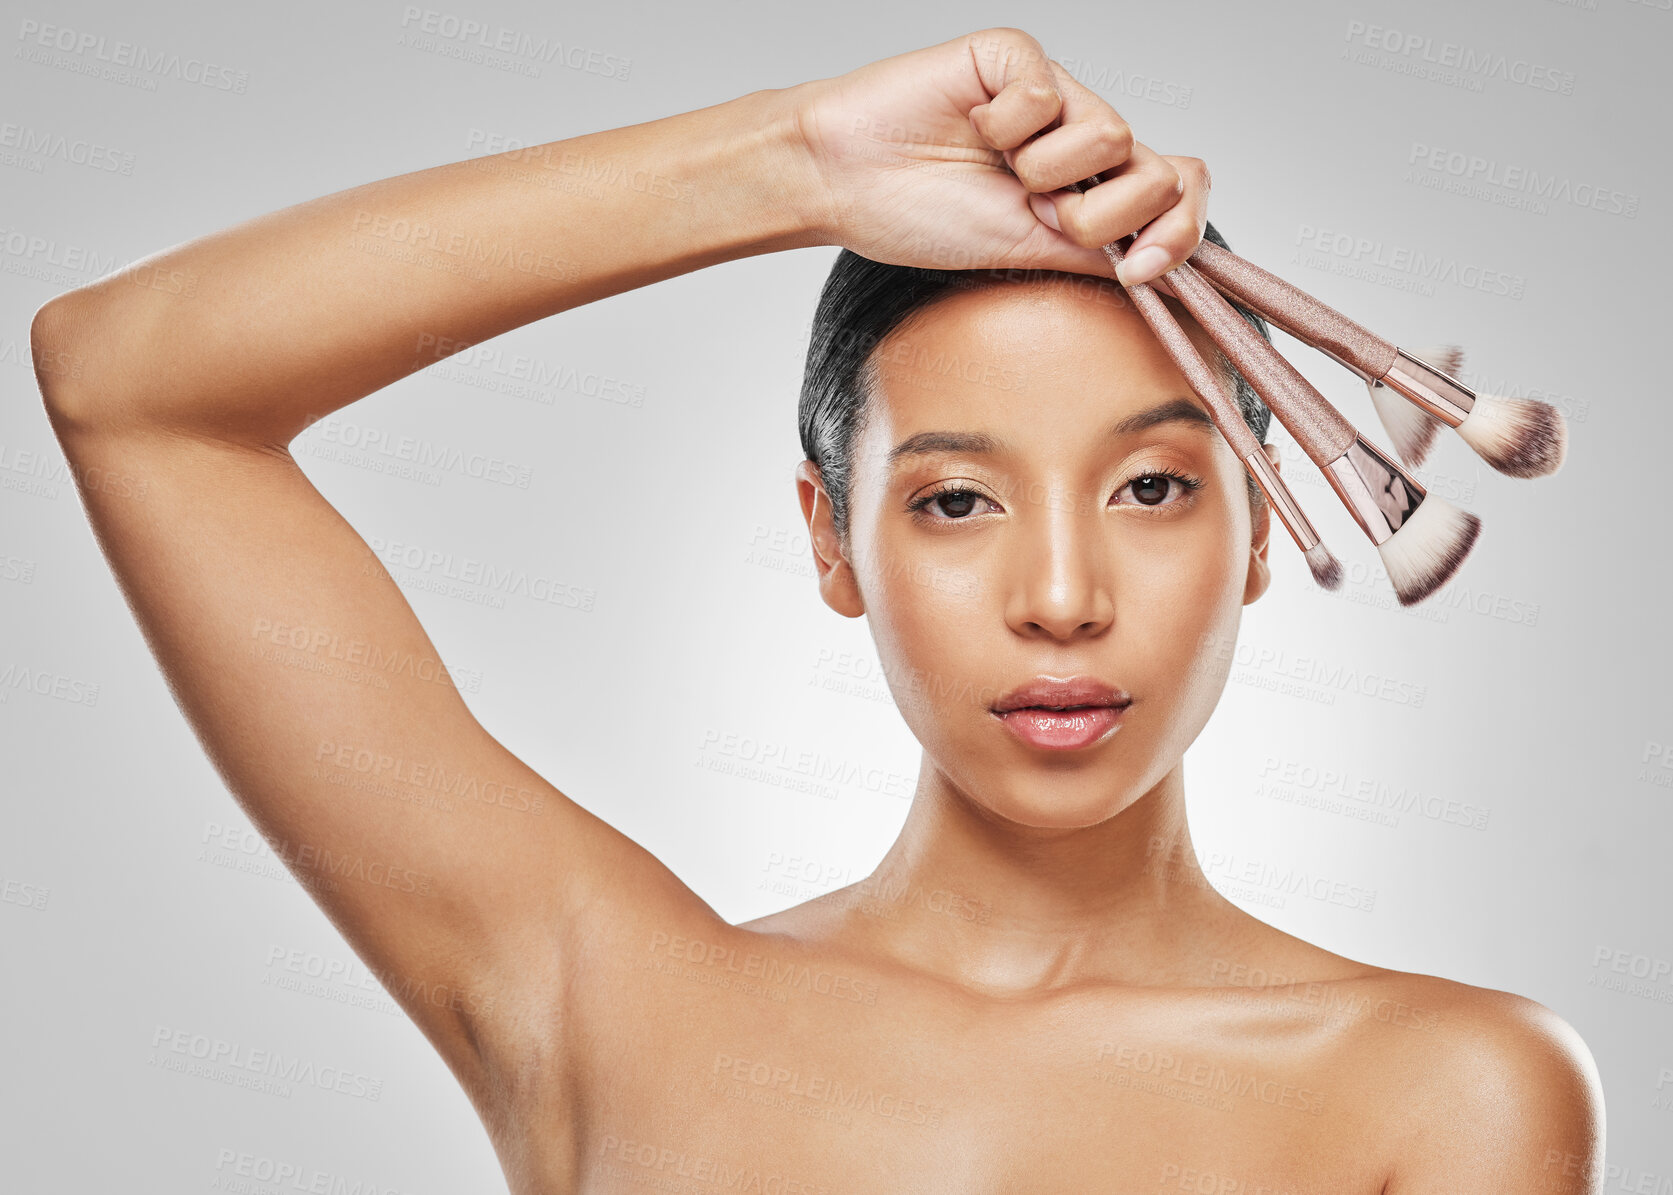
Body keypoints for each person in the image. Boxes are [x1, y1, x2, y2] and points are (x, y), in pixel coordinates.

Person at [31, 25, 1602, 1194]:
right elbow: (129, 382)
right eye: (955, 502)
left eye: (1149, 490)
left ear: (1261, 532)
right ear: (830, 543)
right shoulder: (608, 1004)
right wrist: (795, 168)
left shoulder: (1446, 1092)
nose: (1060, 599)